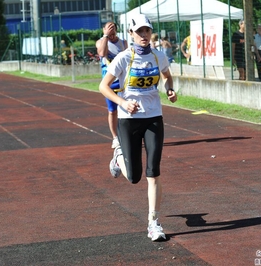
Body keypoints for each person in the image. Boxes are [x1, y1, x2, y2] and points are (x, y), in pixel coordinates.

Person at [99, 13, 177, 241]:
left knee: (153, 172)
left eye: (147, 31)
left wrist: (170, 89)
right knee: (134, 177)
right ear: (131, 34)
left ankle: (154, 222)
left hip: (154, 117)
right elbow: (103, 87)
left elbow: (167, 76)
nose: (144, 35)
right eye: (139, 31)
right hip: (128, 119)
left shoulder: (158, 56)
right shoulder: (123, 58)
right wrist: (123, 102)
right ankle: (118, 158)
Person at [96, 22, 128, 148]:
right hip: (109, 83)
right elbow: (102, 53)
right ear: (104, 29)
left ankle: (126, 135)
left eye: (113, 28)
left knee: (126, 109)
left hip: (123, 82)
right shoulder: (100, 42)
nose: (111, 30)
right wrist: (105, 36)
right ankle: (115, 137)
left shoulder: (123, 43)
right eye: (108, 28)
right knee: (112, 110)